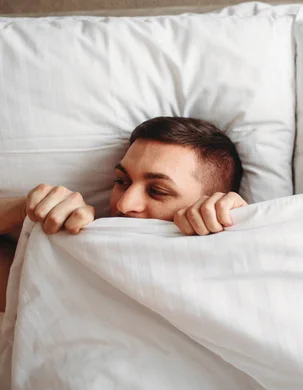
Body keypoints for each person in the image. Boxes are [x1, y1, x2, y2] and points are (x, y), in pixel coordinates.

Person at [0, 116, 247, 310]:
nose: (124, 204)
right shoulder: (71, 258)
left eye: (158, 191)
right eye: (122, 181)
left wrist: (247, 228)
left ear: (206, 202)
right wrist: (23, 209)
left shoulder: (232, 272)